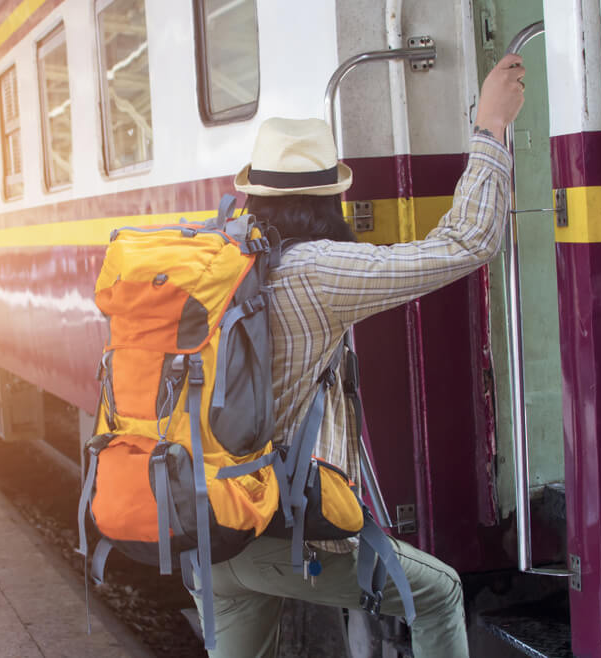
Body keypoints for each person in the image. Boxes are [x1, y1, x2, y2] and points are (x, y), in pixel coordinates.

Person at [189, 54, 527, 657]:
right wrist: (491, 127)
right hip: (270, 535)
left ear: (255, 196)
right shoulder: (318, 269)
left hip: (204, 531)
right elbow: (467, 242)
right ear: (332, 198)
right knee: (439, 591)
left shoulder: (216, 261)